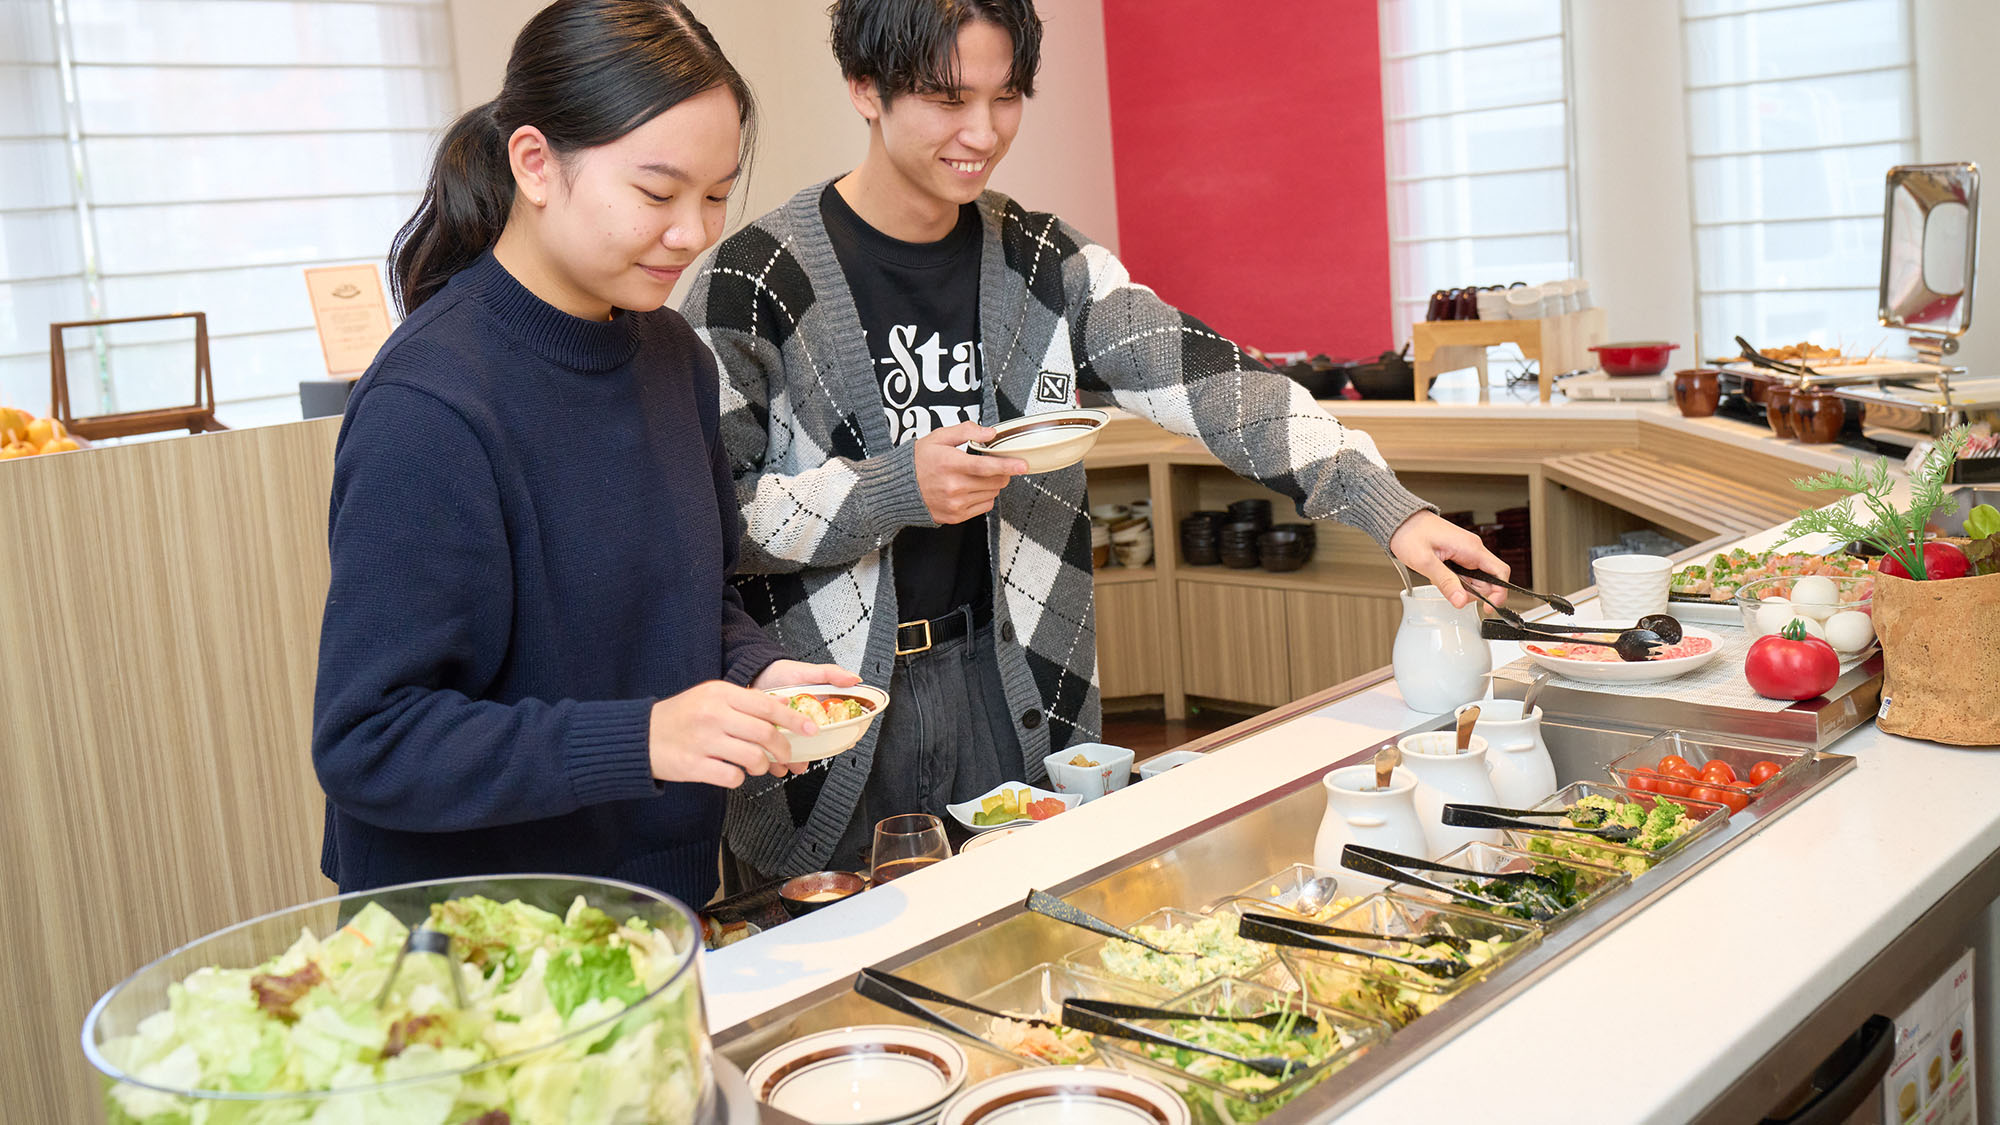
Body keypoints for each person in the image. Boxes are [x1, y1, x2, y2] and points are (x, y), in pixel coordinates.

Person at [681, 0, 1507, 883]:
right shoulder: (756, 280)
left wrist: (1388, 509)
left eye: (1006, 97)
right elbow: (704, 527)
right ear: (864, 88)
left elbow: (1213, 382)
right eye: (949, 99)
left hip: (1013, 686)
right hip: (827, 712)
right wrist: (893, 491)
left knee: (1033, 954)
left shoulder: (1043, 264)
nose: (983, 131)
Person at [312, 0, 855, 909]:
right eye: (656, 193)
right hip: (477, 936)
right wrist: (643, 738)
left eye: (716, 194)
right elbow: (374, 739)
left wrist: (755, 668)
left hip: (653, 896)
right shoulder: (430, 405)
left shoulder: (671, 355)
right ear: (535, 163)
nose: (692, 233)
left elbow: (692, 598)